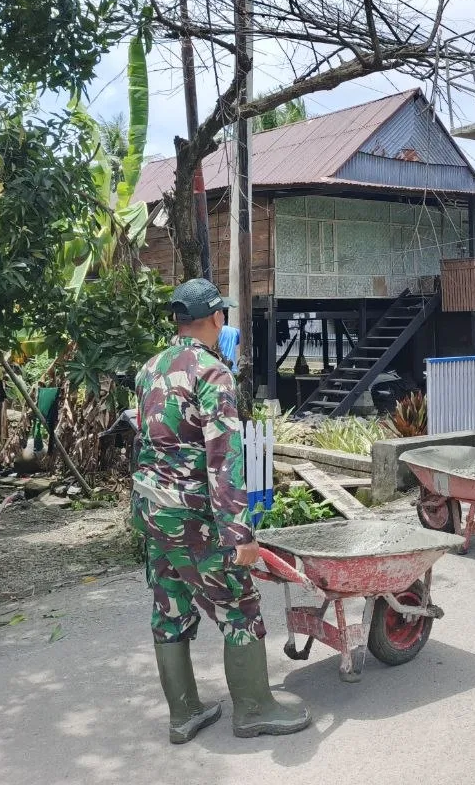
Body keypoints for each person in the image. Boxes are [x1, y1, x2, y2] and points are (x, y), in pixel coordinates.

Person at [131, 278, 311, 744]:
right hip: (192, 516)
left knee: (170, 606)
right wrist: (239, 535)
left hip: (152, 509)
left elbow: (146, 442)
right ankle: (253, 710)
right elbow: (224, 459)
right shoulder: (212, 373)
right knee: (239, 605)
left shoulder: (150, 368)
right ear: (215, 318)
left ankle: (184, 713)